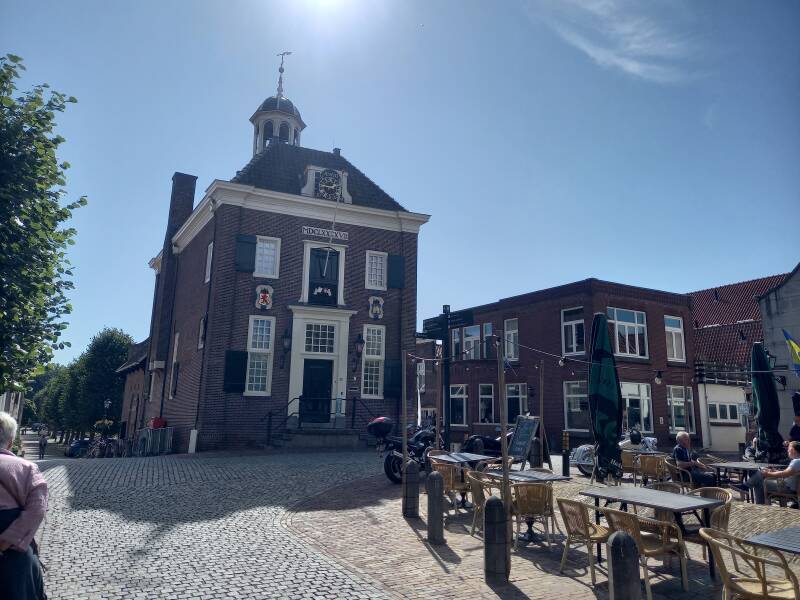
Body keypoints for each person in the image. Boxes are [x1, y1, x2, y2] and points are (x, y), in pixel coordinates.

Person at [0, 411, 48, 599]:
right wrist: (8, 540)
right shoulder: (27, 468)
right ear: (11, 442)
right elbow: (37, 509)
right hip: (13, 556)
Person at [743, 440, 800, 505]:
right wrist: (774, 471)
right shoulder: (797, 461)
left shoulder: (796, 462)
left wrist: (768, 474)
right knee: (761, 474)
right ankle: (746, 487)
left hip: (787, 488)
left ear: (792, 450)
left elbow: (784, 474)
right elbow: (788, 473)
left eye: (788, 449)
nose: (787, 451)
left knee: (760, 481)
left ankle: (759, 504)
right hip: (790, 487)